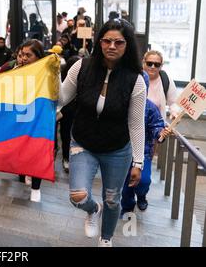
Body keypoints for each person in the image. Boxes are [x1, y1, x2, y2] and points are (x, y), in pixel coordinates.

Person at [59, 19, 146, 247]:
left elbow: (136, 124)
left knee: (112, 199)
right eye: (106, 40)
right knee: (77, 196)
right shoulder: (81, 67)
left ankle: (106, 238)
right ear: (99, 42)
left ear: (128, 46)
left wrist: (139, 162)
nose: (112, 46)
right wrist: (48, 75)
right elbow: (60, 98)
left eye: (119, 42)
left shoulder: (135, 81)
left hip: (117, 149)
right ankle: (92, 209)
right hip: (83, 142)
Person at [0, 39, 46, 202]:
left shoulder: (47, 71)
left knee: (37, 150)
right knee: (20, 146)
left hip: (38, 117)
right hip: (17, 115)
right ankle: (23, 172)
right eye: (21, 55)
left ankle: (36, 187)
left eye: (28, 55)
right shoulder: (10, 68)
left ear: (38, 57)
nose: (24, 58)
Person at [121, 72, 172, 215]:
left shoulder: (150, 107)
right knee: (125, 186)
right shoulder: (120, 103)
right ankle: (127, 206)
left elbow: (157, 126)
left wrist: (160, 134)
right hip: (122, 152)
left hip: (144, 152)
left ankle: (142, 196)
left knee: (143, 181)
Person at [142, 50, 179, 120]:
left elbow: (173, 102)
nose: (153, 67)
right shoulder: (136, 78)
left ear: (161, 66)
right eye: (149, 63)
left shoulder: (165, 79)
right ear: (143, 63)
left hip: (158, 127)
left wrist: (174, 112)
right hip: (137, 126)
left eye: (157, 64)